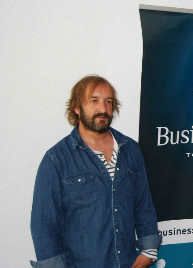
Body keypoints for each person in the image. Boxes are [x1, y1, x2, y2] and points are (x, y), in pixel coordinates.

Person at [30, 75, 162, 268]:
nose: (103, 109)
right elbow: (44, 226)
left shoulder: (130, 150)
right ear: (76, 107)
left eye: (109, 101)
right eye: (94, 101)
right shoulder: (56, 160)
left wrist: (148, 252)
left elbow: (143, 205)